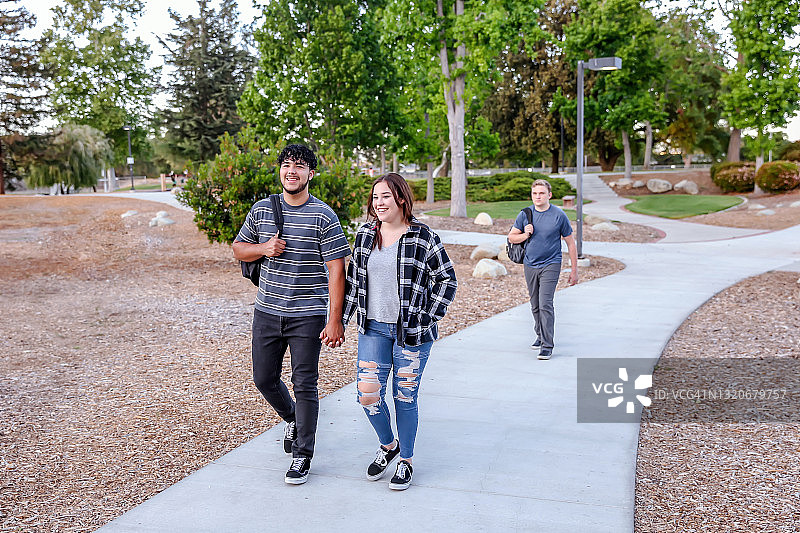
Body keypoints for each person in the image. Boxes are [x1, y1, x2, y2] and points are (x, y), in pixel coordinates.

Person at [232, 144, 350, 485]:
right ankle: (293, 418)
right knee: (263, 378)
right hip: (267, 311)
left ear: (311, 173)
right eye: (286, 165)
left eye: (299, 166)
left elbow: (336, 270)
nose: (291, 171)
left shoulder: (323, 215)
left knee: (305, 383)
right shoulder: (262, 209)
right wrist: (263, 248)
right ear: (280, 171)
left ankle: (302, 455)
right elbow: (238, 248)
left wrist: (335, 319)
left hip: (307, 315)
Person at [343, 173, 457, 490]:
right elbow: (353, 282)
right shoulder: (365, 235)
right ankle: (388, 445)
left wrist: (426, 317)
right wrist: (339, 320)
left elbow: (447, 280)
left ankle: (406, 460)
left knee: (404, 398)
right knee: (367, 396)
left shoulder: (423, 236)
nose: (378, 203)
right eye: (375, 197)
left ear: (401, 199)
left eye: (385, 197)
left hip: (412, 334)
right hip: (372, 328)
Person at [507, 179, 578, 360]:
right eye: (535, 193)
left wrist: (574, 270)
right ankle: (540, 335)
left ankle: (547, 345)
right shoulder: (525, 214)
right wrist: (525, 234)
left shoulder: (559, 215)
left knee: (545, 303)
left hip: (551, 264)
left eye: (541, 193)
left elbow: (570, 243)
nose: (538, 196)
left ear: (549, 195)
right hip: (530, 264)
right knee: (535, 304)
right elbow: (512, 237)